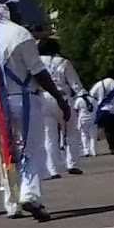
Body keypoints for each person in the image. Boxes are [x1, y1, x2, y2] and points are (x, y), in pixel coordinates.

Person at [0, 0, 72, 221]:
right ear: (4, 8)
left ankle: (12, 203)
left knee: (5, 152)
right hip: (25, 99)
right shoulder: (19, 34)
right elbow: (38, 71)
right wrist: (59, 98)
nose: (19, 12)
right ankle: (29, 194)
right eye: (14, 8)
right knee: (32, 150)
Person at [35, 36, 86, 178]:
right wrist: (83, 95)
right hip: (62, 98)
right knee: (71, 131)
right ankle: (72, 164)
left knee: (49, 135)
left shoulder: (36, 63)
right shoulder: (63, 62)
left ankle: (53, 169)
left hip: (42, 99)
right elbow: (75, 83)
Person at [75, 91, 97, 157]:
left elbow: (75, 108)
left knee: (84, 135)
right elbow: (96, 108)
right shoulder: (92, 99)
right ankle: (93, 151)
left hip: (83, 119)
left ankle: (86, 150)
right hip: (92, 119)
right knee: (92, 136)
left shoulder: (79, 100)